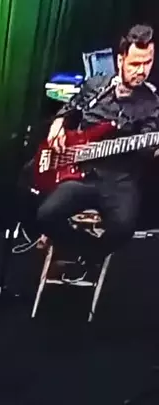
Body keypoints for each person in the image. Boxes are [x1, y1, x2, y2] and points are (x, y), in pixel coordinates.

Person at [37, 24, 159, 280]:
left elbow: (148, 145)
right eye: (135, 64)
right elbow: (71, 107)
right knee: (46, 215)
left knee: (124, 227)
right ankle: (80, 250)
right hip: (81, 175)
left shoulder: (151, 102)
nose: (141, 71)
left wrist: (154, 150)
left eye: (147, 63)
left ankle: (88, 257)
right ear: (120, 60)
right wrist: (58, 123)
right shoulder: (95, 86)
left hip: (118, 180)